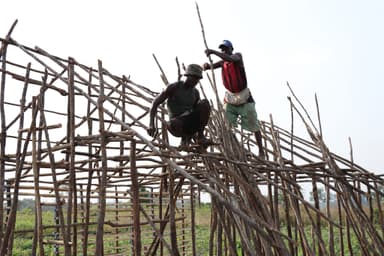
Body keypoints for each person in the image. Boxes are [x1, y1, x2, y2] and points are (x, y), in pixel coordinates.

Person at [203, 40, 265, 157]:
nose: (224, 51)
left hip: (244, 96)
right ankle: (232, 147)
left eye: (226, 49)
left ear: (231, 49)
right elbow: (211, 66)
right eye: (222, 49)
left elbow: (230, 59)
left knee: (253, 123)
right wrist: (206, 66)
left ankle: (261, 150)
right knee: (226, 121)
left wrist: (213, 52)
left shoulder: (237, 57)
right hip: (231, 97)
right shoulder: (222, 63)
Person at [147, 64, 212, 148]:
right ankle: (185, 138)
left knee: (204, 103)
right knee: (174, 123)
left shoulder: (195, 92)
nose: (196, 81)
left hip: (189, 124)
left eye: (198, 79)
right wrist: (151, 124)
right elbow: (155, 103)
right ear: (187, 76)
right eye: (194, 78)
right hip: (176, 124)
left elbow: (198, 114)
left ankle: (200, 137)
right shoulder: (174, 87)